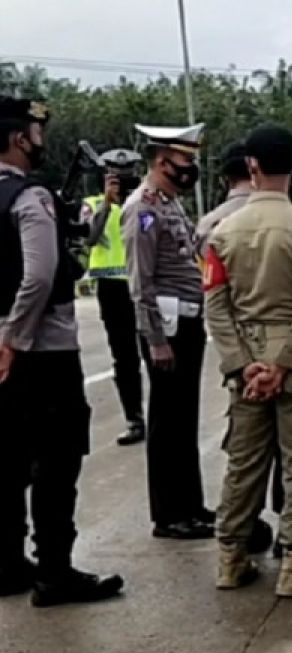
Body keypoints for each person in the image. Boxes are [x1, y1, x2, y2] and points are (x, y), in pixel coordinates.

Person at [205, 124, 292, 597]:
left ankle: (231, 559)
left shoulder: (222, 232)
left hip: (243, 365)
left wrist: (245, 365)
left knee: (244, 463)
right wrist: (281, 364)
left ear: (251, 167)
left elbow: (216, 308)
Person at [0, 96, 124, 606]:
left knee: (7, 459)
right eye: (35, 130)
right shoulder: (31, 197)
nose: (40, 139)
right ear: (17, 138)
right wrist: (14, 337)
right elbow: (39, 275)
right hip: (42, 349)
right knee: (57, 460)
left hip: (5, 349)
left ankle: (7, 566)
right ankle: (55, 572)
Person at [122, 123, 212, 541]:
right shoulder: (142, 208)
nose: (190, 169)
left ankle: (190, 505)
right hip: (167, 327)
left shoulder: (171, 203)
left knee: (184, 420)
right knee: (166, 424)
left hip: (189, 321)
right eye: (185, 161)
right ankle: (169, 513)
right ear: (162, 162)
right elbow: (141, 282)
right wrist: (155, 339)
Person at [83, 147, 146, 446]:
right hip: (112, 287)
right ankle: (134, 418)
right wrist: (107, 204)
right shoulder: (93, 204)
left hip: (143, 283)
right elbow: (90, 236)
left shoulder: (145, 201)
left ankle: (158, 416)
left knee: (155, 352)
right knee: (125, 357)